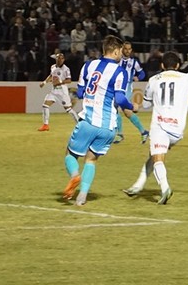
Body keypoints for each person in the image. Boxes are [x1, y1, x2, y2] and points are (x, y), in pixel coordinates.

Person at [123, 51, 188, 204]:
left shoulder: (154, 79)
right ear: (178, 65)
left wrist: (136, 106)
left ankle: (165, 188)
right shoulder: (186, 78)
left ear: (162, 65)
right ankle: (138, 185)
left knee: (158, 158)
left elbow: (147, 105)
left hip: (160, 126)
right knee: (153, 156)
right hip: (177, 131)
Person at [63, 35, 138, 206]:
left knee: (70, 154)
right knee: (91, 159)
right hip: (108, 127)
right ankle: (82, 197)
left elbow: (81, 93)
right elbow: (120, 99)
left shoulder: (88, 66)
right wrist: (132, 106)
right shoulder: (121, 72)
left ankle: (75, 176)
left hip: (88, 121)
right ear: (117, 51)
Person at [113, 42, 149, 144]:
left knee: (120, 109)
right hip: (117, 86)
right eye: (126, 49)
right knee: (122, 111)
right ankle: (142, 132)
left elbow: (142, 73)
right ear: (122, 49)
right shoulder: (117, 61)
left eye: (129, 49)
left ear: (131, 50)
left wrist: (138, 77)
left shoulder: (134, 62)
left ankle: (121, 134)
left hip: (127, 87)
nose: (127, 51)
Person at [37, 51, 79, 131]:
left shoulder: (66, 69)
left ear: (63, 60)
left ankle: (79, 124)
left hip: (62, 92)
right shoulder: (53, 67)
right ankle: (45, 125)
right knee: (45, 105)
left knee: (69, 110)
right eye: (57, 58)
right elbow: (51, 75)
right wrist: (44, 82)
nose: (59, 60)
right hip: (54, 91)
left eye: (60, 59)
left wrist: (60, 82)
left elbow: (69, 80)